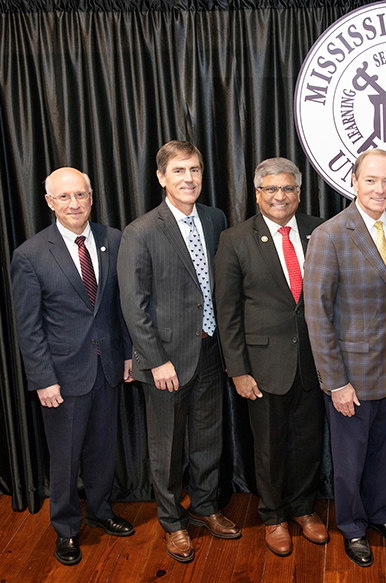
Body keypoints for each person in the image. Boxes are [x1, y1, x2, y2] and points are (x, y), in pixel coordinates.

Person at [118, 140, 239, 564]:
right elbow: (134, 304)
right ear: (161, 177)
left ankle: (205, 507)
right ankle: (172, 522)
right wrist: (155, 359)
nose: (189, 178)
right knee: (167, 446)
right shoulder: (141, 231)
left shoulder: (214, 218)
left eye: (195, 170)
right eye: (180, 171)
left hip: (210, 351)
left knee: (208, 439)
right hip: (167, 360)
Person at [10, 167, 135, 566]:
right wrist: (43, 380)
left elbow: (121, 307)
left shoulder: (113, 241)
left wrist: (129, 354)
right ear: (49, 202)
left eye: (80, 195)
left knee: (102, 449)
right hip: (62, 377)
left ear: (91, 196)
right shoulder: (29, 255)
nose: (74, 204)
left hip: (109, 368)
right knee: (65, 458)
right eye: (64, 197)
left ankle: (101, 511)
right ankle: (66, 529)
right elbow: (28, 328)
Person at [303, 148, 386, 568]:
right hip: (352, 375)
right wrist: (335, 381)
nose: (379, 189)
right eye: (371, 180)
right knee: (350, 461)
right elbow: (317, 314)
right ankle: (352, 527)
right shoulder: (331, 235)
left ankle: (380, 514)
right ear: (353, 182)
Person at [214, 157, 328, 556]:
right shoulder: (235, 239)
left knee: (309, 443)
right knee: (268, 446)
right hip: (262, 368)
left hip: (314, 364)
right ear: (258, 194)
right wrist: (238, 370)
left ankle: (303, 509)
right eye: (272, 189)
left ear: (299, 193)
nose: (281, 196)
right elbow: (226, 313)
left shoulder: (320, 232)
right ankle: (274, 515)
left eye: (288, 189)